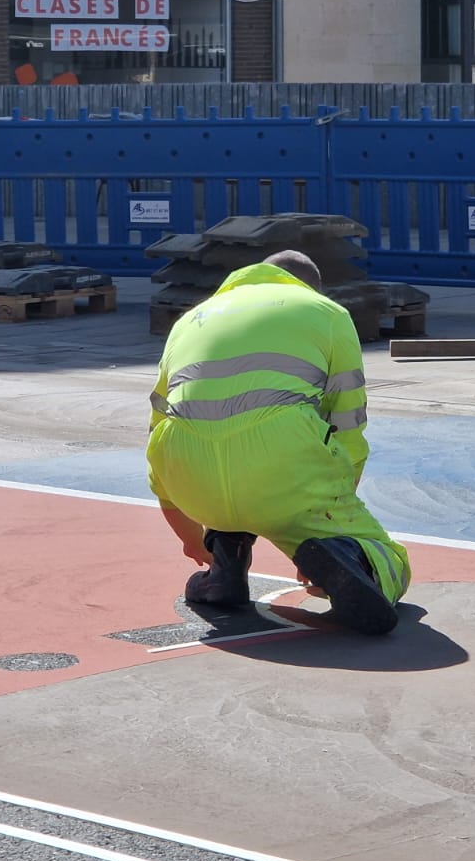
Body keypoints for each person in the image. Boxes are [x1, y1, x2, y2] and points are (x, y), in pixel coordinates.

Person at [146, 249, 411, 635]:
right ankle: (356, 558)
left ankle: (223, 566)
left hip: (190, 483)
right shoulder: (327, 313)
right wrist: (332, 523)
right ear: (309, 287)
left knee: (220, 460)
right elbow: (347, 424)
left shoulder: (189, 320)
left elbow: (157, 430)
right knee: (394, 560)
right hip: (285, 480)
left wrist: (191, 537)